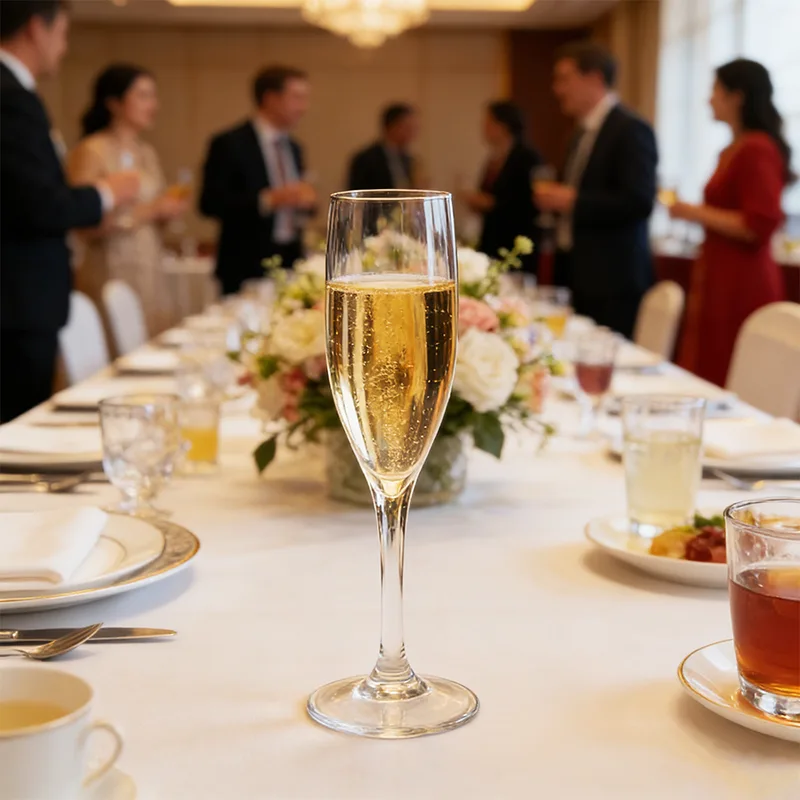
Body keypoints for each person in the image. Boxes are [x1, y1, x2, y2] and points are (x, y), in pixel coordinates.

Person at [0, 0, 139, 423]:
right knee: (15, 428)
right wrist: (105, 193)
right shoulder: (11, 96)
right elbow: (38, 204)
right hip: (17, 300)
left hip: (22, 298)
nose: (63, 47)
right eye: (61, 33)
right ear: (35, 29)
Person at [669, 59, 790, 387]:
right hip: (719, 270)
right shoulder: (734, 149)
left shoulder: (757, 149)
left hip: (741, 278)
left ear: (737, 97)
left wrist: (694, 212)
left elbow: (759, 224)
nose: (709, 100)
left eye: (715, 91)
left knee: (734, 367)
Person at [535, 41, 657, 338]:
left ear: (594, 79)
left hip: (613, 278)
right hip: (576, 271)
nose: (557, 89)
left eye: (565, 79)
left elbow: (639, 201)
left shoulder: (630, 129)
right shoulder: (579, 134)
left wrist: (574, 201)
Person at [69, 64, 188, 334]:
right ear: (114, 103)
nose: (153, 105)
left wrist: (167, 211)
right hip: (111, 269)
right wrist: (150, 210)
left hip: (150, 269)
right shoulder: (92, 150)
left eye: (153, 96)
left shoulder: (146, 152)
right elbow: (83, 222)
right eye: (143, 96)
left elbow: (154, 211)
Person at [200, 65, 315, 295]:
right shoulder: (230, 144)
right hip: (244, 263)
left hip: (290, 259)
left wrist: (307, 201)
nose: (304, 107)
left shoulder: (294, 148)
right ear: (271, 99)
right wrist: (268, 200)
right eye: (297, 98)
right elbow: (209, 203)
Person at [463, 101, 542, 275]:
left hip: (515, 240)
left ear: (503, 126)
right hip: (492, 240)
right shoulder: (494, 158)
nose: (483, 128)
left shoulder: (527, 157)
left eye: (488, 123)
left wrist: (490, 203)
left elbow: (527, 202)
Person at [348, 103, 418, 191]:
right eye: (407, 128)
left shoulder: (408, 159)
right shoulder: (365, 160)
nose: (412, 134)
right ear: (391, 127)